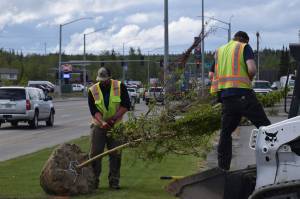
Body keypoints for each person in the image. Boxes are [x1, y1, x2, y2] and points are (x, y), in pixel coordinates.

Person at [209, 31, 271, 171]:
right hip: (243, 95)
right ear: (245, 40)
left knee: (225, 133)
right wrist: (248, 78)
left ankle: (222, 169)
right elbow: (252, 69)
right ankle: (273, 163)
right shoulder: (244, 47)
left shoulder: (220, 51)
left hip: (227, 98)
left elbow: (211, 74)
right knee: (266, 128)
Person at [88, 67, 131, 189]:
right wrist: (102, 122)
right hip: (98, 125)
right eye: (101, 80)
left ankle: (114, 181)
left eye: (105, 79)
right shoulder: (92, 90)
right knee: (95, 153)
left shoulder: (120, 86)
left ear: (110, 77)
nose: (103, 82)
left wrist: (113, 119)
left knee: (115, 154)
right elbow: (94, 110)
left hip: (116, 126)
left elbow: (126, 105)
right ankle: (93, 181)